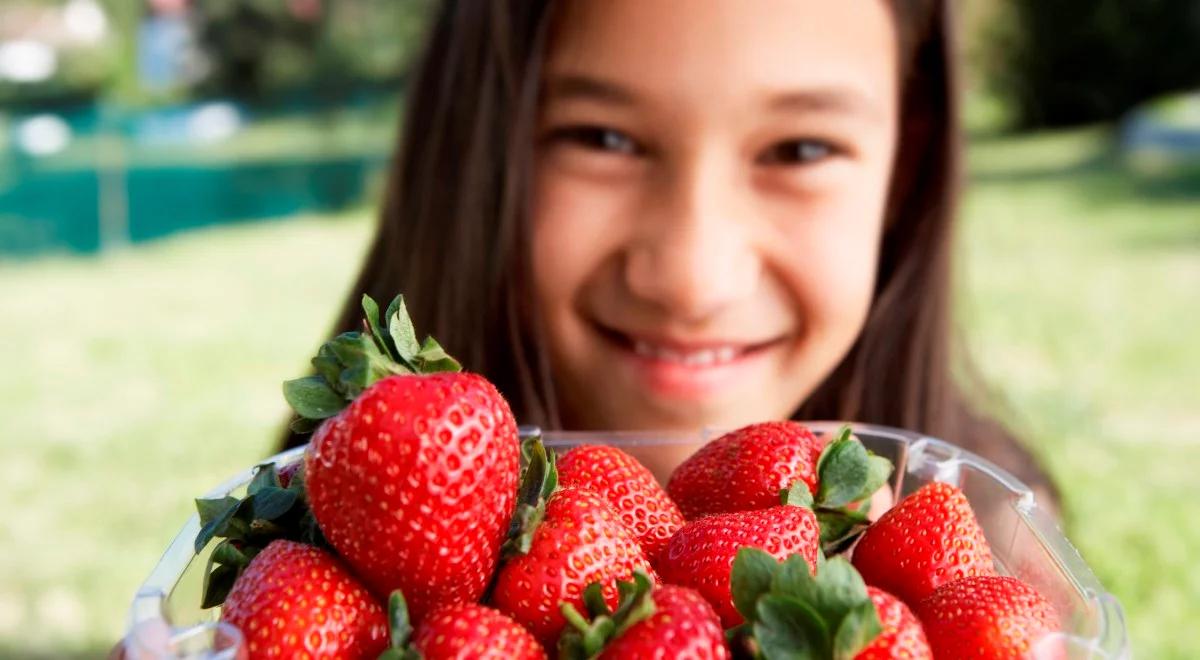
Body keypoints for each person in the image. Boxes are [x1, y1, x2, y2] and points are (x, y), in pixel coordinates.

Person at [280, 0, 1057, 504]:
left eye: (801, 148)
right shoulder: (311, 556)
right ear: (469, 156)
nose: (693, 279)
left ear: (905, 168)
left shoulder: (997, 544)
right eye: (603, 139)